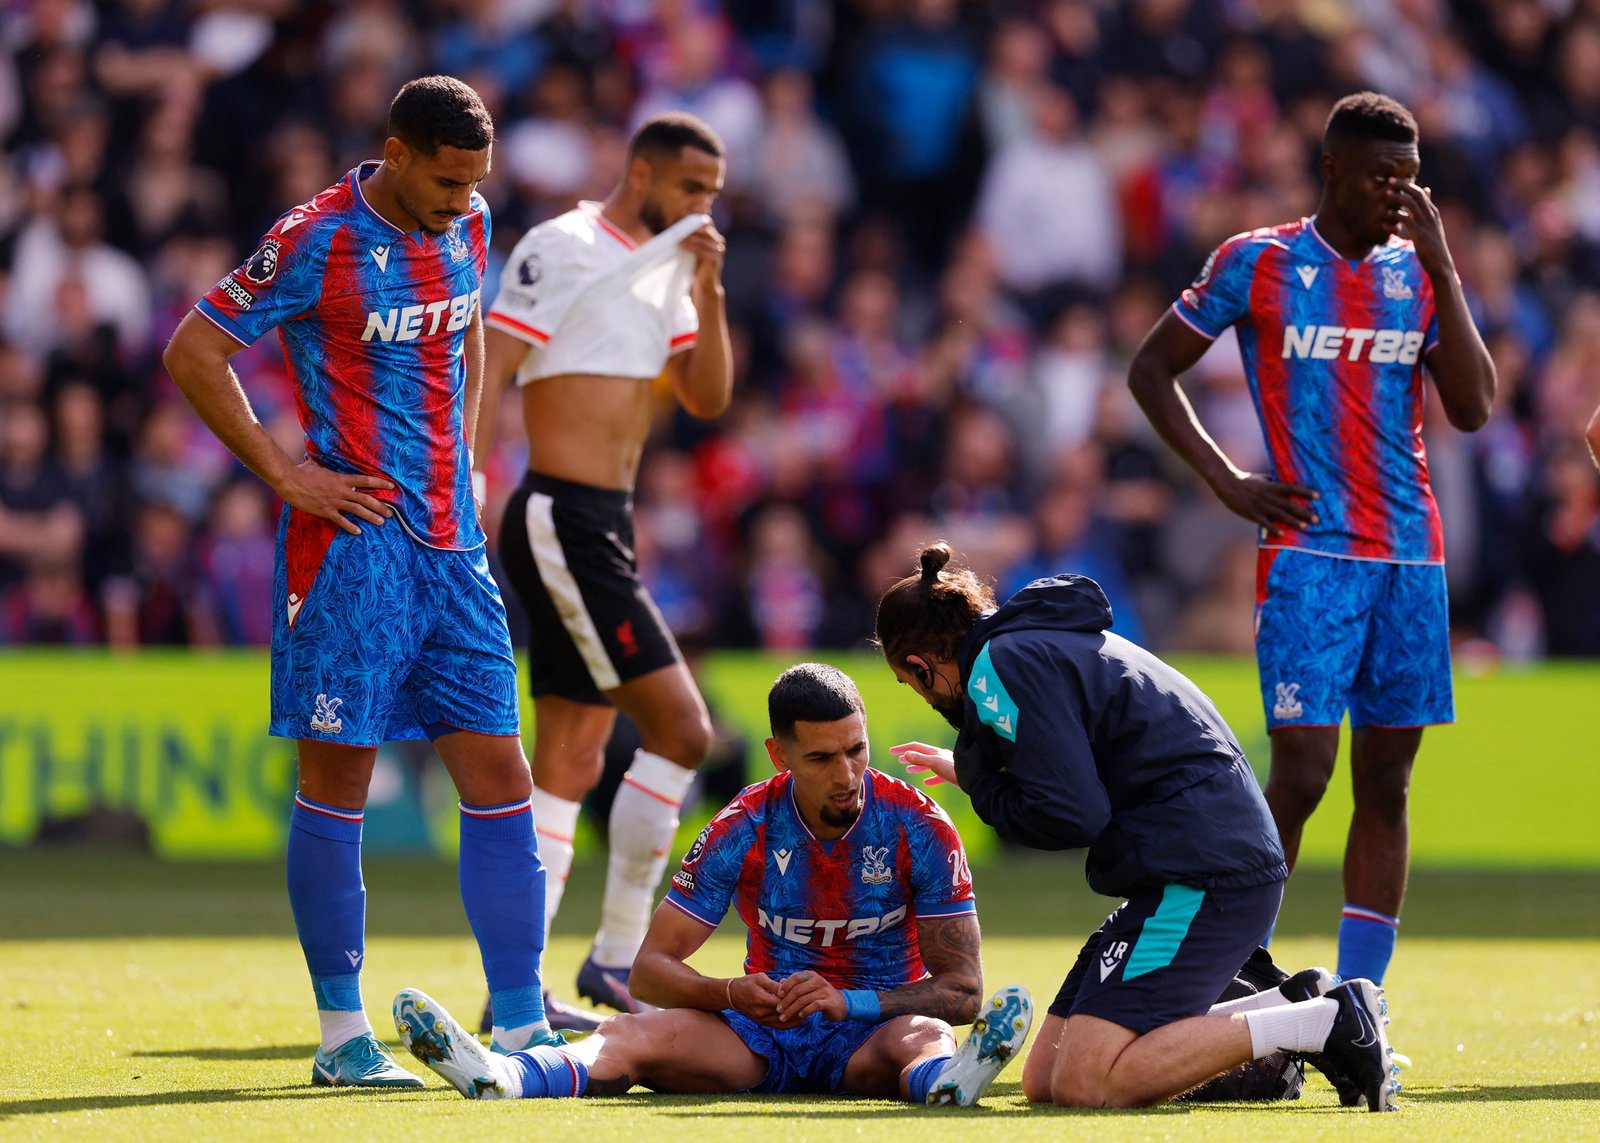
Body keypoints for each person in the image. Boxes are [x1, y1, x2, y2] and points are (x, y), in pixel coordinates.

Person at [162, 76, 557, 1088]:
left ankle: (520, 1026)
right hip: (352, 547)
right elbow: (197, 349)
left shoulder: (467, 220)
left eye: (477, 182)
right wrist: (286, 471)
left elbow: (467, 344)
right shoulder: (315, 235)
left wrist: (467, 460)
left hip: (451, 546)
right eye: (445, 179)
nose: (462, 200)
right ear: (396, 149)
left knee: (502, 775)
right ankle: (342, 1038)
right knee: (339, 779)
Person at [1127, 92, 1495, 988]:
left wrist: (1445, 269)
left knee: (1389, 781)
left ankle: (1362, 996)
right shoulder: (1258, 260)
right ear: (1331, 170)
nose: (1397, 198)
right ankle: (1232, 967)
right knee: (1303, 768)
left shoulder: (1420, 274)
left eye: (1410, 181)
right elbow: (1151, 367)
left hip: (1410, 555)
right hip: (1308, 552)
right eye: (1380, 178)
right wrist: (1226, 480)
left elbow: (1475, 408)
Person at [876, 543, 1399, 1111]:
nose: (929, 700)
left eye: (916, 686)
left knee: (1087, 1083)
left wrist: (983, 785)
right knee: (1046, 1079)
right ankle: (1296, 1002)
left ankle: (1326, 1024)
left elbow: (1072, 813)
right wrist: (973, 772)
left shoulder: (1002, 665)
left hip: (1202, 873)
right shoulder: (1028, 643)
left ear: (920, 665)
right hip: (1185, 865)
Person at [391, 662, 1033, 1106]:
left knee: (926, 1038)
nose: (846, 774)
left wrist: (849, 1003)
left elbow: (963, 991)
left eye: (856, 750)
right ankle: (504, 1077)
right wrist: (730, 991)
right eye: (821, 758)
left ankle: (948, 1083)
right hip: (762, 1037)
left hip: (872, 1037)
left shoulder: (919, 825)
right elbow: (647, 974)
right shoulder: (744, 824)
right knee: (629, 1034)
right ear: (779, 756)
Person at [473, 111, 734, 1026]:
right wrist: (471, 473)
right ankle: (619, 957)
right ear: (644, 172)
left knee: (572, 760)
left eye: (712, 192)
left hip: (604, 523)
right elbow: (492, 357)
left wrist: (709, 283)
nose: (702, 205)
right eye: (690, 188)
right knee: (684, 729)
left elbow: (705, 397)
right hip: (559, 514)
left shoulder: (672, 271)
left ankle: (525, 989)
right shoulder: (567, 244)